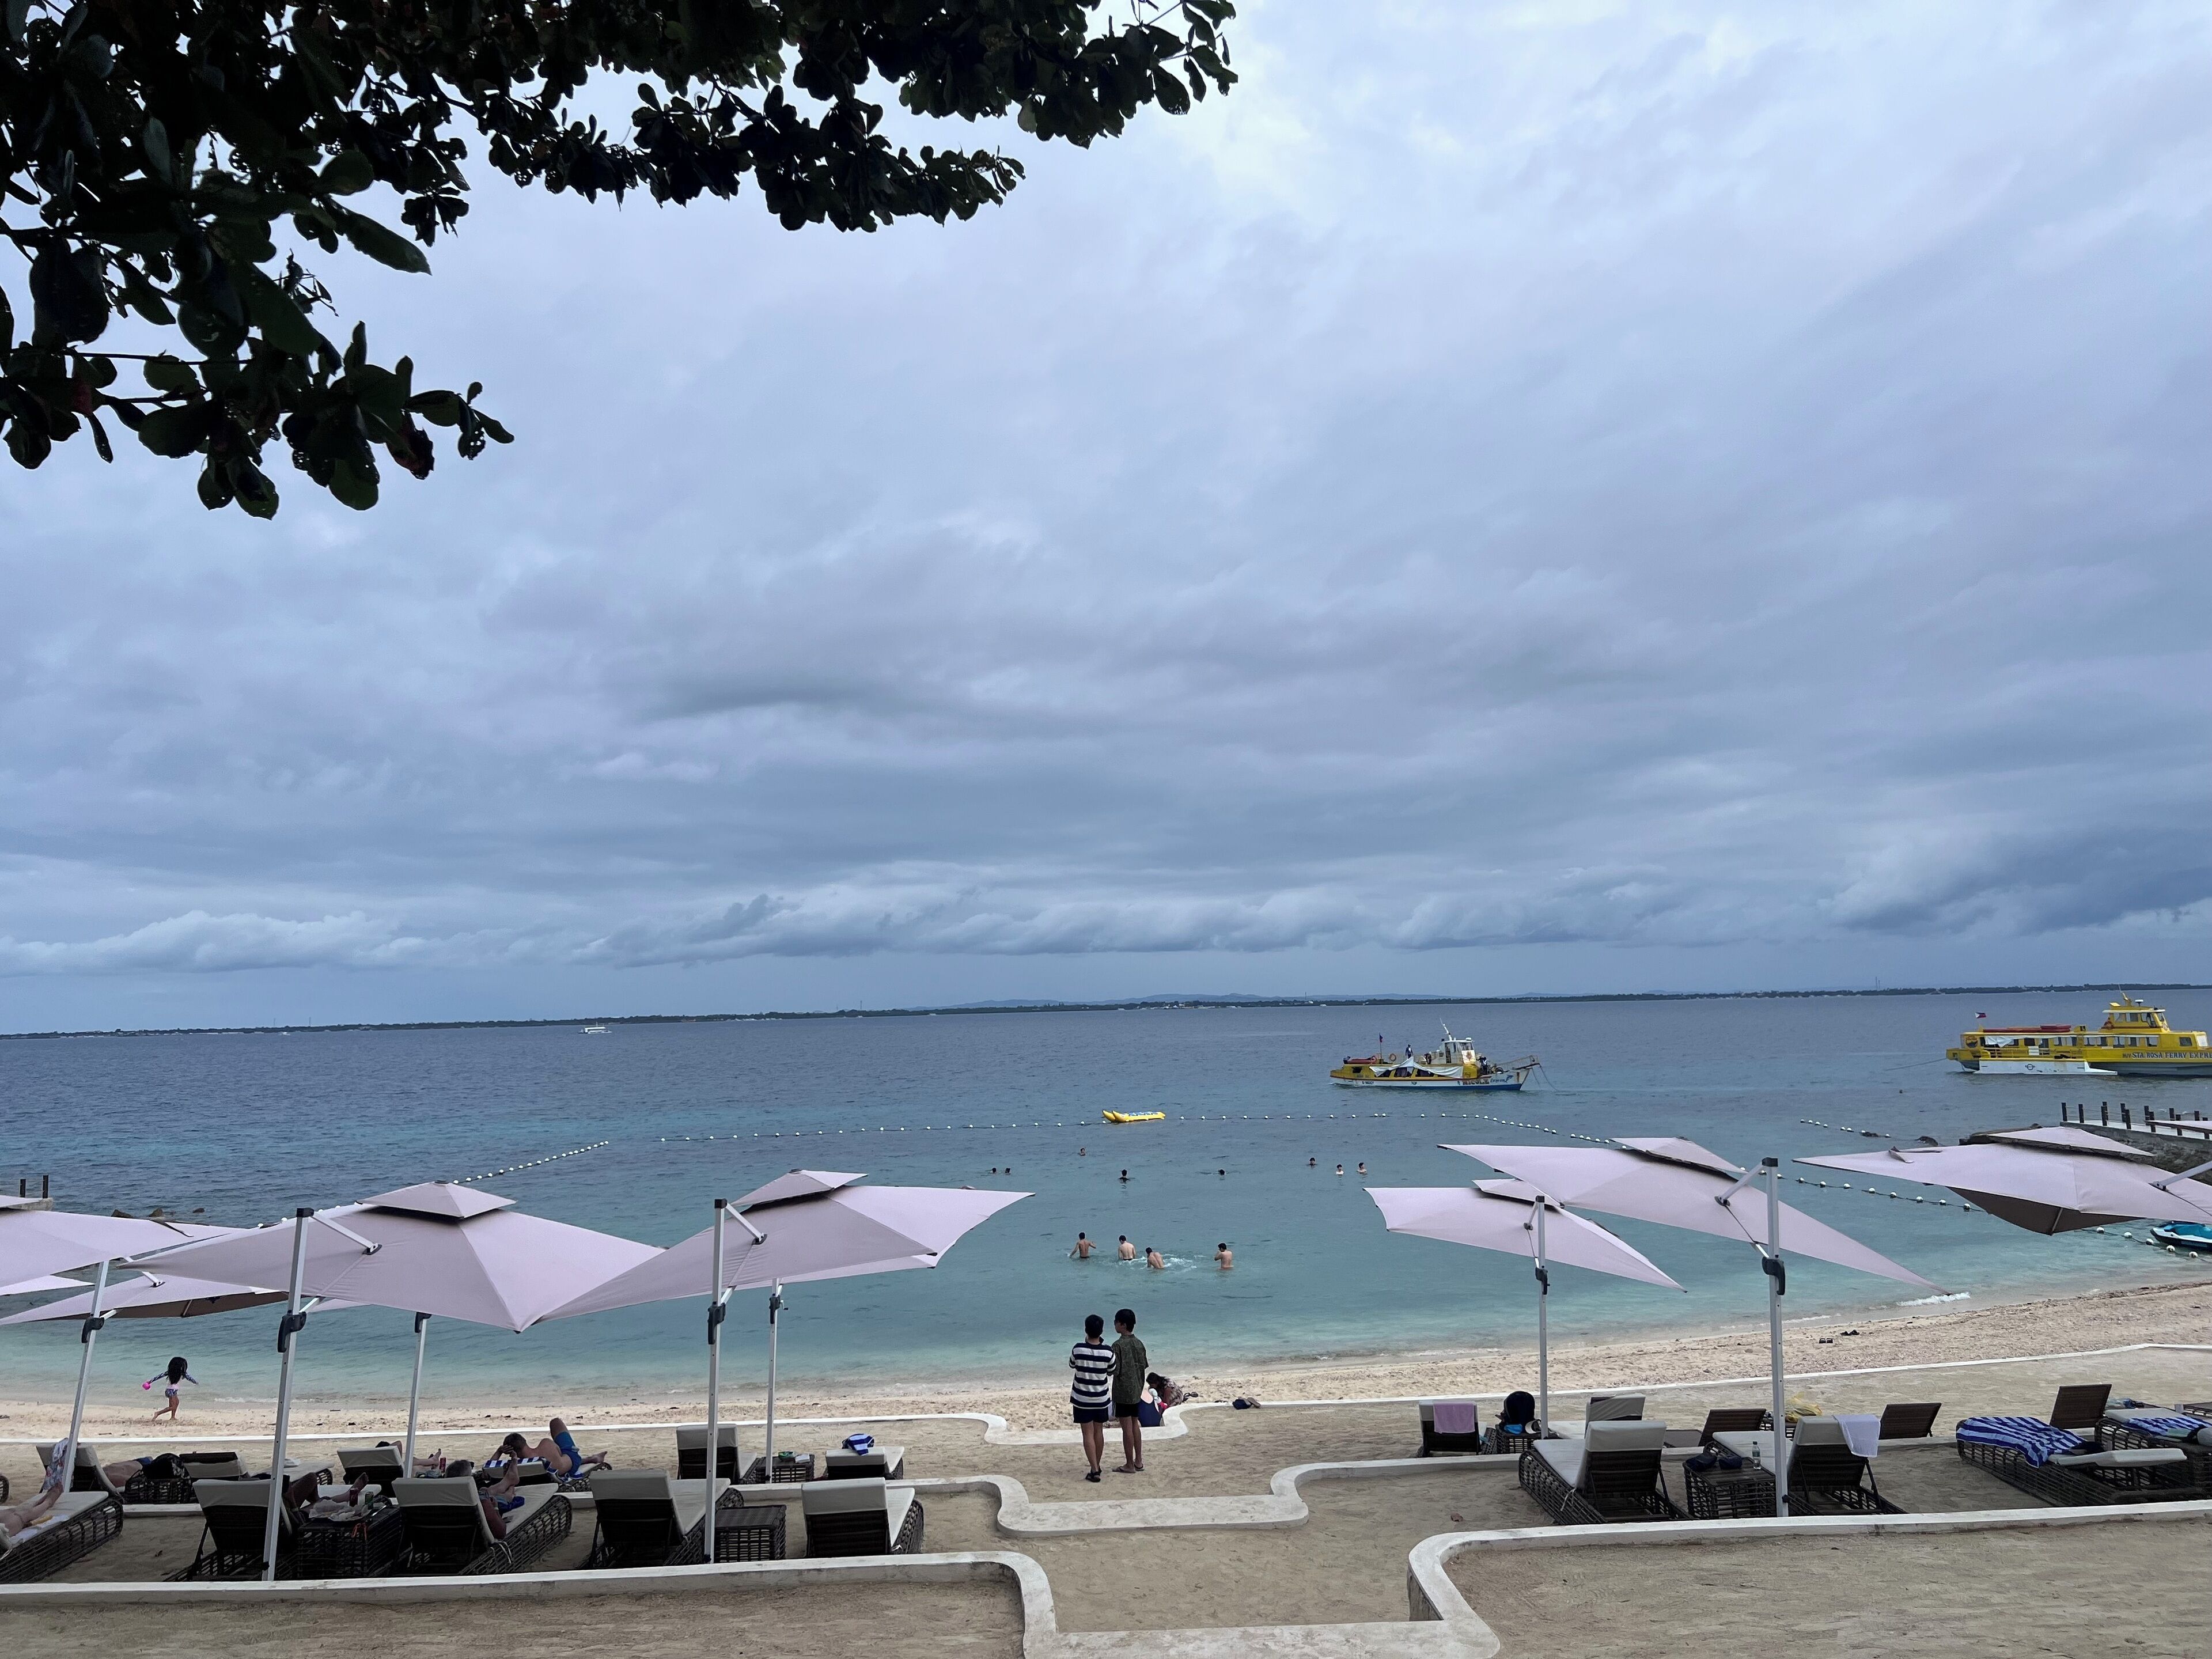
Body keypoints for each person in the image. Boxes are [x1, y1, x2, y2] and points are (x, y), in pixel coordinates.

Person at [1068, 1313, 1115, 1482]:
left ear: (1086, 1330)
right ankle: (1097, 1465)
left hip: (1082, 1399)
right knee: (1098, 1432)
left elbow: (1072, 1364)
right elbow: (1111, 1371)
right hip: (1101, 1399)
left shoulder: (1078, 1348)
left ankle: (1094, 1469)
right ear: (1101, 1331)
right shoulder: (1108, 1352)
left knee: (1087, 1434)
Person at [1110, 1309, 1149, 1474]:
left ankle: (1129, 1464)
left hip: (1122, 1392)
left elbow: (1113, 1370)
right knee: (1135, 1425)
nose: (1115, 1324)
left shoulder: (1117, 1346)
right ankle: (1138, 1461)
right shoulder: (1140, 1344)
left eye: (1116, 1322)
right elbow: (1143, 1366)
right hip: (1136, 1390)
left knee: (1126, 1427)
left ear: (1123, 1325)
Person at [143, 1355, 196, 1423]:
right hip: (172, 1391)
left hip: (169, 1391)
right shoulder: (182, 1373)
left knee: (176, 1403)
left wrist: (150, 1381)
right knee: (173, 1406)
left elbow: (159, 1376)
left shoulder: (170, 1372)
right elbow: (190, 1379)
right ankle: (158, 1413)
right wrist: (196, 1383)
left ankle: (173, 1417)